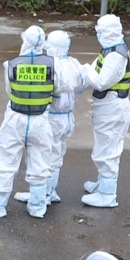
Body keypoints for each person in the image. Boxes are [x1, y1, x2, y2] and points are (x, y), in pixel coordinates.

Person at [0, 27, 61, 219]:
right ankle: (38, 206)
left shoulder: (12, 64)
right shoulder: (54, 64)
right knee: (41, 162)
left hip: (15, 118)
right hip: (41, 118)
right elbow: (58, 89)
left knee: (5, 161)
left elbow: (10, 91)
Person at [81, 14, 130, 209]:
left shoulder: (117, 55)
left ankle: (107, 194)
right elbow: (95, 69)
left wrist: (85, 71)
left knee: (107, 151)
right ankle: (102, 183)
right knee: (104, 146)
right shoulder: (110, 49)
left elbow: (101, 82)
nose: (98, 34)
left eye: (101, 31)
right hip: (108, 107)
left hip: (112, 107)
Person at [42, 30, 92, 204]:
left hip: (53, 117)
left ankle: (43, 194)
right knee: (57, 155)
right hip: (68, 117)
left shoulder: (51, 64)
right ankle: (51, 190)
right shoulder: (74, 63)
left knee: (47, 155)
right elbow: (87, 82)